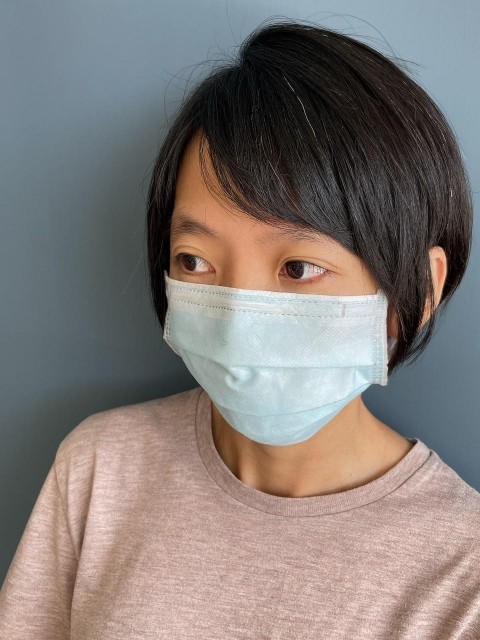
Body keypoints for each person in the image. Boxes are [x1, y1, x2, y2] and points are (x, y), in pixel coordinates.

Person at [1, 18, 479, 639]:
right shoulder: (101, 469)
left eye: (298, 267)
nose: (237, 322)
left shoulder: (462, 575)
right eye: (195, 261)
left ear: (418, 291)